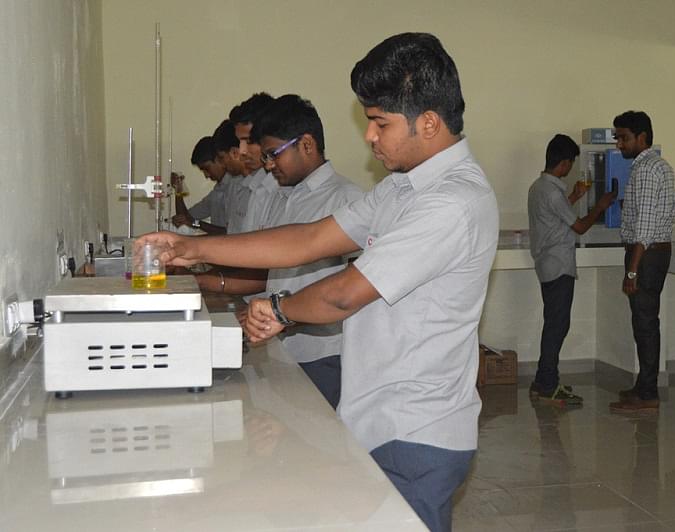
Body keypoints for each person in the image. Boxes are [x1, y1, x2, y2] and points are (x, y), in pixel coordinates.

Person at [138, 32, 498, 532]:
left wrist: (277, 310)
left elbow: (345, 293)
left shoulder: (452, 201)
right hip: (376, 414)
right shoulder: (402, 188)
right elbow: (310, 238)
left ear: (430, 122)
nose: (369, 136)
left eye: (380, 123)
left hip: (417, 429)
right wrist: (192, 248)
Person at [248, 93, 363, 409]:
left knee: (322, 434)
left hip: (324, 353)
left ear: (307, 145)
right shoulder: (284, 197)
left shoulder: (346, 199)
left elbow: (355, 290)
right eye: (265, 157)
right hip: (282, 345)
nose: (269, 165)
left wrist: (286, 314)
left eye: (274, 154)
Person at [528, 134, 617, 405]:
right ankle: (548, 384)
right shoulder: (553, 192)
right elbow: (578, 227)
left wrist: (575, 196)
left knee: (554, 324)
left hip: (548, 264)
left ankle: (542, 381)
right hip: (558, 266)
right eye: (571, 163)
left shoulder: (539, 187)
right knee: (557, 326)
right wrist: (600, 206)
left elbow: (555, 217)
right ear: (565, 163)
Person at [608, 110, 675, 412]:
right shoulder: (654, 166)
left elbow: (646, 226)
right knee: (643, 322)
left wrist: (632, 271)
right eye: (618, 138)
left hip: (647, 255)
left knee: (646, 323)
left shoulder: (648, 169)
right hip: (649, 252)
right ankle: (643, 386)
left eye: (624, 138)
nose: (619, 144)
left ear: (642, 137)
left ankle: (648, 393)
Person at [195, 93, 278, 295]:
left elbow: (268, 268)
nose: (241, 151)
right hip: (253, 297)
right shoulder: (257, 187)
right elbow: (243, 249)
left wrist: (206, 280)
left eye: (248, 141)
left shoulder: (277, 189)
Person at [171, 136, 229, 235]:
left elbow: (231, 233)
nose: (206, 175)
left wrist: (195, 223)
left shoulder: (237, 187)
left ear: (219, 159)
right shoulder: (217, 192)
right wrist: (178, 189)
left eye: (207, 168)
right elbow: (185, 218)